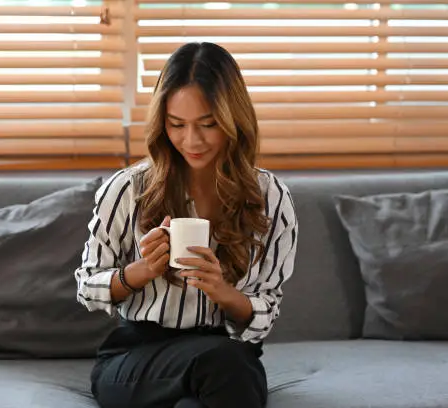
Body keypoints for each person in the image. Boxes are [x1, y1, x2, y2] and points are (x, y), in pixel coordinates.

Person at [74, 42, 298, 408]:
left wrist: (222, 291)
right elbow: (87, 286)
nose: (191, 141)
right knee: (225, 367)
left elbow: (265, 311)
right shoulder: (128, 188)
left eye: (208, 125)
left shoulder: (269, 196)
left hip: (225, 355)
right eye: (177, 125)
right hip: (136, 358)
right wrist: (139, 272)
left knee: (219, 374)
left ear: (233, 120)